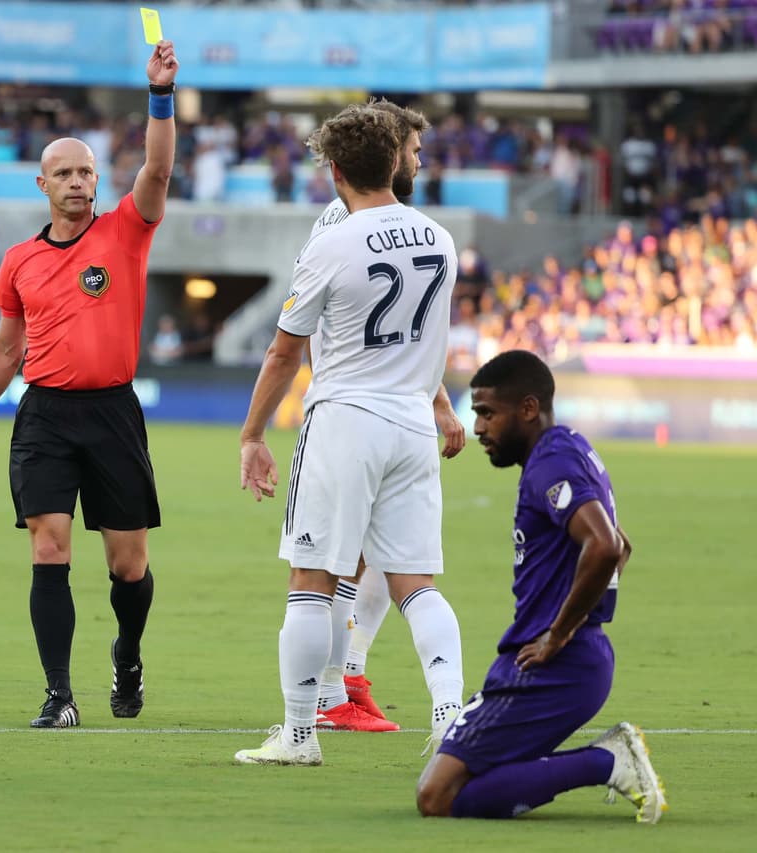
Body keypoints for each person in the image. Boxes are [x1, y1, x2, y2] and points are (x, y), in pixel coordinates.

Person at [0, 40, 179, 729]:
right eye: (64, 173)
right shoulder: (18, 261)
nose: (77, 182)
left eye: (86, 172)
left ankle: (127, 653)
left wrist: (160, 95)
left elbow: (158, 168)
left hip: (112, 413)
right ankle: (59, 694)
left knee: (129, 566)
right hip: (43, 415)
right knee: (48, 546)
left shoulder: (126, 232)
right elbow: (7, 347)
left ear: (97, 181)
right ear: (42, 185)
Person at [233, 104, 463, 766]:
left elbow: (284, 352)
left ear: (334, 170)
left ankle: (300, 734)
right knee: (417, 583)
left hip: (345, 420)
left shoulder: (332, 241)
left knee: (311, 580)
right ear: (395, 161)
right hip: (412, 424)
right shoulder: (439, 237)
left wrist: (253, 433)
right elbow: (432, 340)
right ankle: (451, 717)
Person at [416, 350, 666, 823]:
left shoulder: (552, 461)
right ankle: (604, 760)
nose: (478, 427)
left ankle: (607, 761)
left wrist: (560, 632)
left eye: (487, 413)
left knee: (436, 796)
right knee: (455, 788)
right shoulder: (570, 448)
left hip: (550, 666)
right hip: (569, 659)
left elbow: (607, 547)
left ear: (528, 409)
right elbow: (620, 545)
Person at [302, 99, 466, 733]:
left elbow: (406, 333)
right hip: (356, 405)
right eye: (415, 152)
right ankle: (330, 692)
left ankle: (346, 677)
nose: (420, 163)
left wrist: (440, 402)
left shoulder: (379, 223)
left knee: (373, 558)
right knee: (352, 562)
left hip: (377, 404)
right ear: (390, 153)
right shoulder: (350, 223)